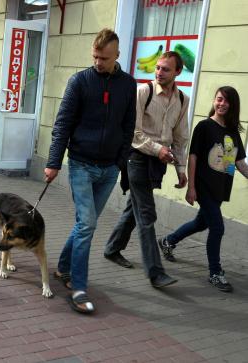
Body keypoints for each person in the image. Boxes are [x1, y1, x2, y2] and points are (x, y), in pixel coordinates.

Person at [44, 29, 137, 314]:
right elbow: (62, 125)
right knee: (87, 224)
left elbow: (128, 125)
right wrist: (53, 162)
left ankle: (62, 267)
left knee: (86, 223)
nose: (98, 62)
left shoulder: (128, 84)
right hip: (82, 164)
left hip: (108, 169)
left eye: (104, 58)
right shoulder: (80, 82)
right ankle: (79, 287)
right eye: (95, 56)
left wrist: (121, 162)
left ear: (117, 56)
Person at [104, 51, 190, 288]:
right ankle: (155, 272)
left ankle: (112, 249)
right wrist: (157, 149)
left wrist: (181, 170)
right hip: (137, 157)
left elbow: (181, 138)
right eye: (158, 68)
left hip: (158, 162)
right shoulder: (144, 92)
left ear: (178, 72)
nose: (159, 72)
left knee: (134, 208)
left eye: (166, 69)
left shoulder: (182, 100)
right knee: (146, 213)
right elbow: (132, 132)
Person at [158, 86, 248, 292]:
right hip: (204, 186)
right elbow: (193, 156)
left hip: (221, 187)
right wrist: (191, 187)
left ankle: (167, 241)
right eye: (219, 99)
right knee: (217, 227)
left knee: (201, 223)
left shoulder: (233, 132)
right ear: (214, 101)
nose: (221, 104)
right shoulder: (204, 126)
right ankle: (215, 273)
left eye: (226, 101)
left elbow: (240, 162)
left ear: (233, 105)